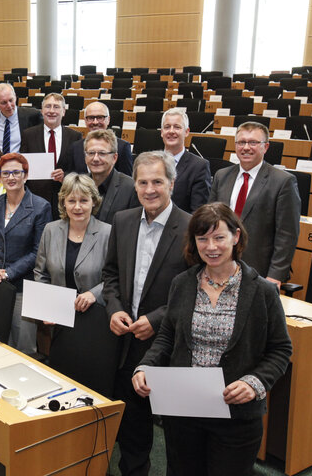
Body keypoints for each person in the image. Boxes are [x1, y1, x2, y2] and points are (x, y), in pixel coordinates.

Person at [133, 203, 292, 476]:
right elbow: (167, 337)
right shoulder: (182, 283)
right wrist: (144, 366)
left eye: (219, 237)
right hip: (183, 411)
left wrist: (254, 383)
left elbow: (280, 349)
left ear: (236, 237)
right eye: (202, 238)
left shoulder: (262, 291)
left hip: (236, 417)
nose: (211, 246)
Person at [101, 150, 191, 476]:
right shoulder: (123, 221)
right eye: (143, 182)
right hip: (126, 342)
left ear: (172, 183)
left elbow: (195, 292)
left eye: (157, 181)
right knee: (133, 429)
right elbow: (109, 276)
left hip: (169, 344)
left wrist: (156, 320)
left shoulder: (192, 228)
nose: (149, 189)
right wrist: (113, 309)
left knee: (179, 436)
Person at [33, 173, 116, 397]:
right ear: (63, 203)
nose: (77, 207)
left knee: (91, 386)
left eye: (83, 200)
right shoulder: (51, 230)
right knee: (63, 382)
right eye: (71, 201)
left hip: (96, 321)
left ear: (94, 202)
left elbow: (115, 276)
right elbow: (41, 273)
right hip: (61, 322)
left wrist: (93, 293)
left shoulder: (109, 232)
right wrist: (46, 308)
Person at [0, 153, 52, 355]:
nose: (11, 177)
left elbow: (39, 252)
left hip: (22, 287)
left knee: (23, 346)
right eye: (6, 173)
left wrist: (6, 273)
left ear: (25, 175)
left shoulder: (40, 207)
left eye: (16, 172)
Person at [208, 121, 300, 288]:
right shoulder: (222, 176)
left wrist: (275, 275)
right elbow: (210, 221)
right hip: (220, 264)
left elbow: (287, 234)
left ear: (265, 147)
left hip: (260, 270)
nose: (246, 147)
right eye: (241, 142)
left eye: (253, 142)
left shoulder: (283, 181)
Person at [20, 93, 81, 219]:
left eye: (56, 107)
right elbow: (23, 165)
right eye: (48, 106)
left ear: (63, 112)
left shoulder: (75, 136)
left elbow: (79, 169)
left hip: (65, 199)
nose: (52, 111)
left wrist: (65, 176)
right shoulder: (28, 135)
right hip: (35, 199)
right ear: (42, 111)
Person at [82, 129, 139, 224]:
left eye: (102, 153)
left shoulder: (131, 188)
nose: (95, 158)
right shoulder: (79, 185)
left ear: (114, 158)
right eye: (91, 153)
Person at [62, 101, 134, 176]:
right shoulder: (75, 147)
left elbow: (127, 181)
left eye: (100, 117)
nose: (95, 122)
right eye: (91, 118)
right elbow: (72, 177)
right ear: (85, 121)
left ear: (108, 120)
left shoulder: (122, 147)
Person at [161, 107, 211, 213]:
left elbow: (198, 213)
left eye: (177, 127)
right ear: (161, 132)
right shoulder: (151, 162)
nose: (171, 131)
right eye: (167, 127)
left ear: (186, 132)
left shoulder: (199, 167)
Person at [0, 83, 42, 153]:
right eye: (4, 103)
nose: (9, 105)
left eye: (11, 100)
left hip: (21, 162)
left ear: (15, 97)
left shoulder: (32, 115)